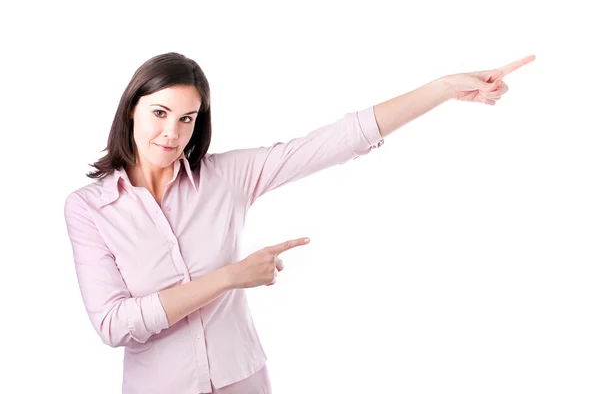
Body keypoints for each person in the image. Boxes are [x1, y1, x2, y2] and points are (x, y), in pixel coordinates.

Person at [64, 52, 535, 394]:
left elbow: (337, 140)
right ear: (131, 109)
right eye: (160, 113)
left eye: (187, 119)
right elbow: (114, 324)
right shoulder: (89, 208)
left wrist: (443, 89)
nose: (172, 133)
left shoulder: (225, 177)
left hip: (243, 379)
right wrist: (229, 277)